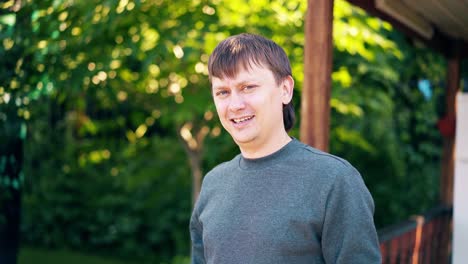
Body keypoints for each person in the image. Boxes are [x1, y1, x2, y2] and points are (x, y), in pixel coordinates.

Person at [190, 33, 381, 264]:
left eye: (248, 87)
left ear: (285, 89)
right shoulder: (213, 184)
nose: (235, 105)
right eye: (223, 92)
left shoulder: (334, 180)